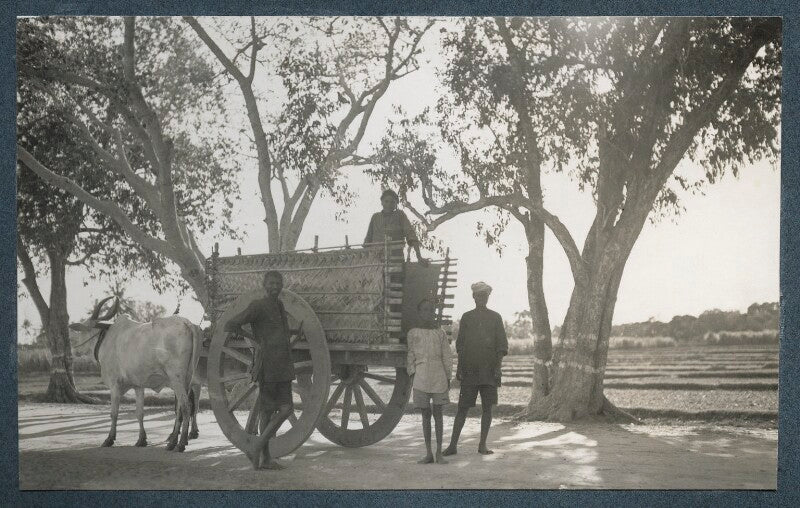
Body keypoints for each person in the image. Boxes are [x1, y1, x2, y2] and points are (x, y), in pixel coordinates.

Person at [224, 270, 294, 470]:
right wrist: (255, 340)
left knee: (273, 411)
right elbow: (231, 324)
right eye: (271, 283)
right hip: (268, 365)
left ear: (281, 285)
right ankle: (259, 448)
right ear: (264, 285)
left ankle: (264, 456)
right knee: (278, 409)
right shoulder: (258, 306)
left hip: (283, 365)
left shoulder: (279, 305)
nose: (275, 287)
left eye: (278, 283)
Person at [443, 281, 507, 456]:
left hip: (489, 370)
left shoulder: (495, 317)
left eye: (485, 295)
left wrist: (497, 368)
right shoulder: (467, 317)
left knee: (488, 408)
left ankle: (482, 445)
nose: (482, 298)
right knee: (462, 408)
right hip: (470, 370)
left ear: (488, 297)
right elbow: (461, 346)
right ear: (473, 296)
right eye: (479, 295)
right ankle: (453, 445)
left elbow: (501, 346)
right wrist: (459, 368)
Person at [406, 298, 453, 465]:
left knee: (438, 414)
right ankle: (428, 453)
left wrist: (448, 376)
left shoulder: (439, 334)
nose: (427, 313)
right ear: (419, 313)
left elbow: (447, 356)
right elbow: (410, 355)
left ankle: (439, 452)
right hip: (421, 376)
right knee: (425, 415)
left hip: (438, 375)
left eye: (430, 310)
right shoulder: (413, 333)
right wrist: (412, 374)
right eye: (424, 310)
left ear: (434, 313)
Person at [364, 189, 429, 266]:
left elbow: (411, 235)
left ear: (396, 204)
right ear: (381, 202)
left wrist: (419, 257)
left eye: (392, 202)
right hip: (376, 261)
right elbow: (368, 240)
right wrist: (365, 258)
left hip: (395, 261)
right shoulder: (375, 217)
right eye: (386, 201)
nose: (389, 204)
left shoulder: (400, 215)